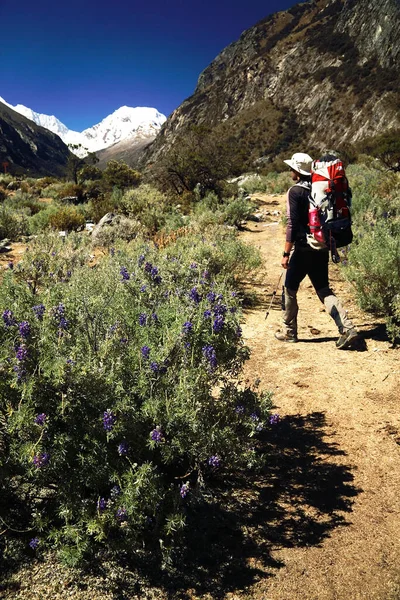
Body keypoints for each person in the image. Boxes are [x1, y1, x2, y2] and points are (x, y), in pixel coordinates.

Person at [274, 152, 358, 349]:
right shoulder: (319, 188)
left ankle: (289, 332)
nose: (290, 171)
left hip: (303, 249)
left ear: (297, 171)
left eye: (292, 168)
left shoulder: (295, 192)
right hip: (321, 246)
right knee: (323, 289)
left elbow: (292, 225)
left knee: (290, 288)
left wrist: (286, 253)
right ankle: (347, 328)